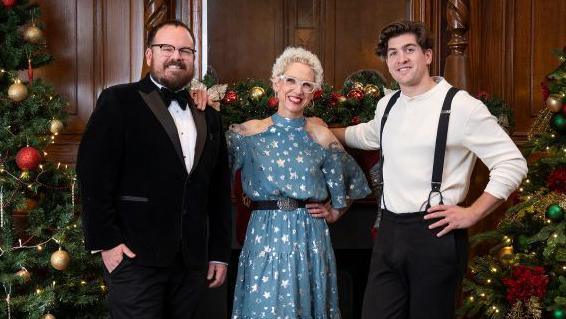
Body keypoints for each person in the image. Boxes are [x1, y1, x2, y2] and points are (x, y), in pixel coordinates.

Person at [330, 20, 528, 319]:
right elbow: (368, 135)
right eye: (392, 52)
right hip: (389, 233)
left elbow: (512, 163)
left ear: (428, 56)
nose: (400, 59)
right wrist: (316, 129)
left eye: (409, 49)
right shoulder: (389, 104)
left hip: (434, 233)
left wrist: (472, 212)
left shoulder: (462, 107)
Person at [76, 20, 232, 319]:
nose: (177, 56)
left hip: (191, 263)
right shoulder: (118, 101)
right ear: (149, 55)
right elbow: (93, 177)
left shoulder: (209, 115)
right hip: (134, 258)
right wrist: (107, 244)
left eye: (185, 50)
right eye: (167, 48)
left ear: (193, 59)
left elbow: (218, 190)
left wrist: (219, 254)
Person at [227, 47, 371, 318]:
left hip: (310, 237)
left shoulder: (320, 135)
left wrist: (336, 211)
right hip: (264, 237)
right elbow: (210, 180)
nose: (298, 90)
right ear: (276, 84)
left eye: (307, 84)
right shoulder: (247, 133)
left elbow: (354, 182)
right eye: (291, 80)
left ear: (313, 93)